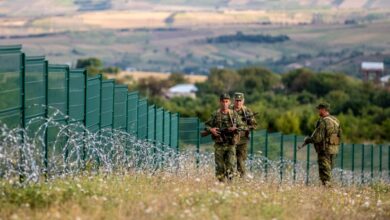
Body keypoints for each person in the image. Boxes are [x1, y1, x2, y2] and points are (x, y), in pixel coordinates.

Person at [205, 93, 246, 182]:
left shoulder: (233, 114)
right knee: (219, 167)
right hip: (219, 144)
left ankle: (230, 184)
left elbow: (243, 126)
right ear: (220, 102)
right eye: (223, 101)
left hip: (231, 144)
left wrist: (235, 128)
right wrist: (211, 130)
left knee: (231, 165)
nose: (225, 104)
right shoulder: (215, 114)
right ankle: (221, 184)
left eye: (226, 101)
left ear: (229, 102)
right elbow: (206, 126)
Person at [300, 103, 341, 186]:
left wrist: (308, 140)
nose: (318, 111)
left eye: (319, 109)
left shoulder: (324, 122)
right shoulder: (336, 120)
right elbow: (340, 135)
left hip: (324, 150)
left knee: (324, 174)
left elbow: (317, 138)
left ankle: (328, 191)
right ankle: (328, 189)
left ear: (324, 110)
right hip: (334, 150)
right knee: (329, 171)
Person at [232, 92, 257, 178]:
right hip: (230, 139)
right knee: (229, 159)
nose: (238, 102)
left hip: (242, 140)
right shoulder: (229, 110)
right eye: (236, 100)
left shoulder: (247, 111)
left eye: (240, 101)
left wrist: (244, 127)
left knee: (240, 159)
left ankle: (241, 177)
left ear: (243, 101)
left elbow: (254, 125)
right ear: (233, 100)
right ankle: (229, 178)